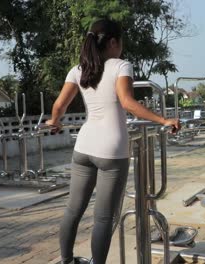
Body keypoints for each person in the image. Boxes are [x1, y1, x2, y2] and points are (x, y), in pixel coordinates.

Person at [45, 18, 181, 264]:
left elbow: (59, 105)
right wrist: (163, 120)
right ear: (113, 42)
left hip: (84, 147)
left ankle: (66, 260)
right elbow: (128, 103)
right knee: (104, 218)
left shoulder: (79, 70)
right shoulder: (121, 65)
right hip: (111, 149)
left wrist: (54, 121)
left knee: (73, 210)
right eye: (121, 43)